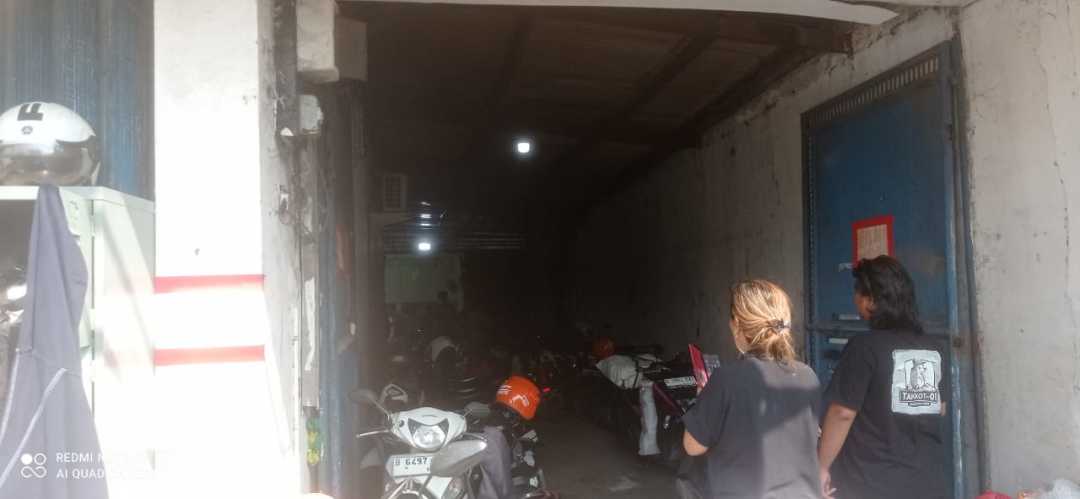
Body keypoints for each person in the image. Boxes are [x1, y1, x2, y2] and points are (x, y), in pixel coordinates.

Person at [818, 255, 950, 499]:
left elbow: (842, 413)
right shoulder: (932, 348)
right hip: (927, 482)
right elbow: (939, 408)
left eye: (857, 292)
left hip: (871, 483)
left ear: (871, 300)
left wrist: (822, 466)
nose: (855, 299)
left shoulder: (863, 348)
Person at [682, 279, 822, 498]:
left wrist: (701, 400)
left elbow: (693, 446)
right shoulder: (808, 375)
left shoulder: (726, 379)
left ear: (737, 323)